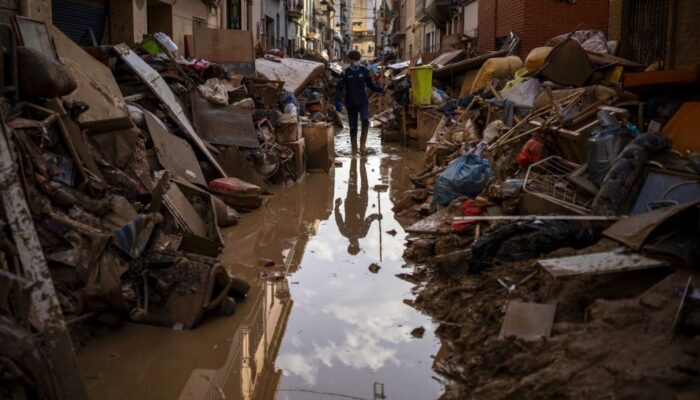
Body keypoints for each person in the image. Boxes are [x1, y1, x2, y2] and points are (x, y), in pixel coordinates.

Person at [335, 50, 384, 154]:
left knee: (365, 120)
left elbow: (370, 84)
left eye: (358, 60)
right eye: (355, 60)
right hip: (350, 103)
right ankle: (354, 148)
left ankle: (362, 146)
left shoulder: (364, 71)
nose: (357, 62)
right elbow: (339, 88)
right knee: (353, 127)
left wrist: (379, 89)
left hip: (363, 101)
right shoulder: (345, 73)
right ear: (350, 60)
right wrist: (338, 101)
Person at [334, 157, 381, 255]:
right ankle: (361, 164)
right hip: (361, 204)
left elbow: (338, 218)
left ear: (351, 245)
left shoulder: (346, 232)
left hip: (351, 202)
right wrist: (376, 216)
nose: (355, 243)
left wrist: (337, 206)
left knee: (353, 178)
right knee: (363, 183)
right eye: (357, 245)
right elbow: (368, 220)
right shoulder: (361, 233)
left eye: (355, 245)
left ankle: (354, 160)